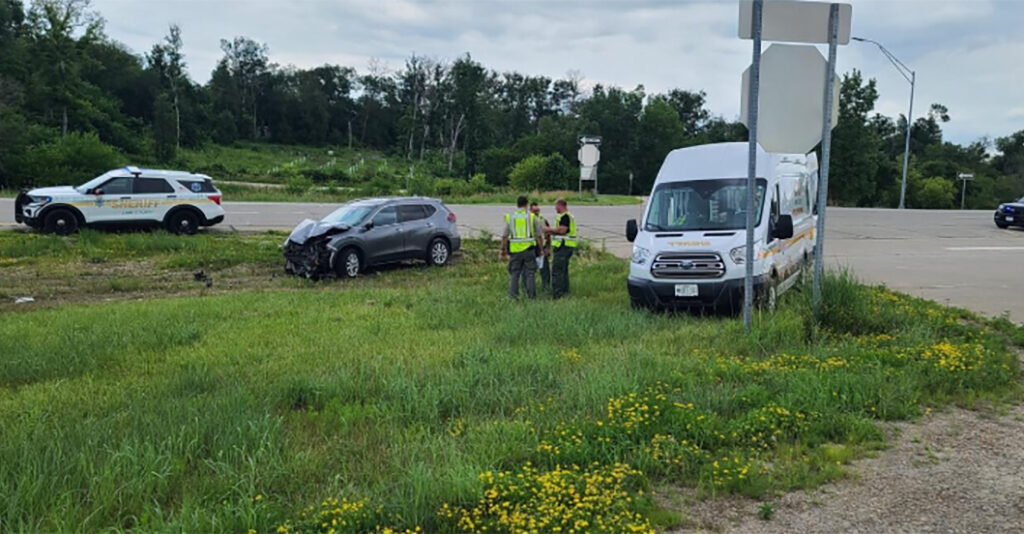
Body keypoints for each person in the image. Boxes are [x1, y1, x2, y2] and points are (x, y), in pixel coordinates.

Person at [500, 196, 544, 299]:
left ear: (517, 204)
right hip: (529, 249)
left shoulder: (510, 217)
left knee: (514, 274)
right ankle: (531, 297)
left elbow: (504, 235)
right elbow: (539, 235)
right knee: (530, 274)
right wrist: (541, 249)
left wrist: (503, 249)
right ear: (527, 204)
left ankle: (513, 296)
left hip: (515, 251)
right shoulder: (532, 217)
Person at [544, 198, 577, 299]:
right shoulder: (567, 216)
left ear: (560, 205)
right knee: (563, 270)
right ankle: (565, 291)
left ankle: (557, 294)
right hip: (566, 246)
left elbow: (562, 230)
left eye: (555, 206)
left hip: (563, 246)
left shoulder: (565, 216)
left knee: (557, 270)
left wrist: (548, 229)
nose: (555, 208)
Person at [530, 201, 551, 292]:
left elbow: (548, 234)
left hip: (542, 246)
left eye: (538, 210)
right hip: (532, 247)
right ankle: (530, 287)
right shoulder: (528, 220)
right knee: (530, 270)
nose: (537, 212)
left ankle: (546, 287)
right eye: (535, 211)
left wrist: (548, 247)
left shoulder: (543, 220)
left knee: (544, 269)